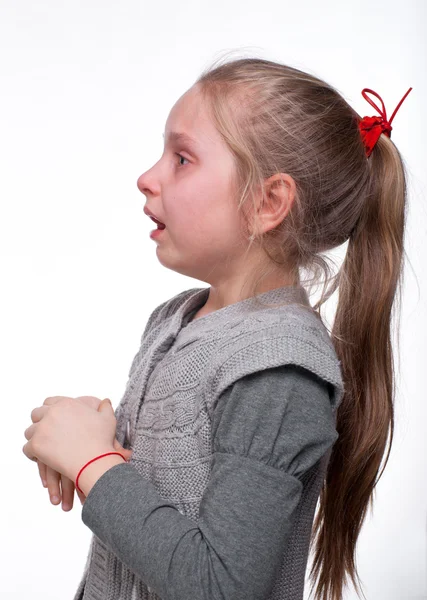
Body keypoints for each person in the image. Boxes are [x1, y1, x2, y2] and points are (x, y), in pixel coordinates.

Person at [23, 55, 412, 600]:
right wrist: (97, 439)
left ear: (267, 202)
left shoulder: (279, 372)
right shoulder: (176, 319)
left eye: (182, 159)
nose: (147, 177)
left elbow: (220, 585)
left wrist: (94, 465)